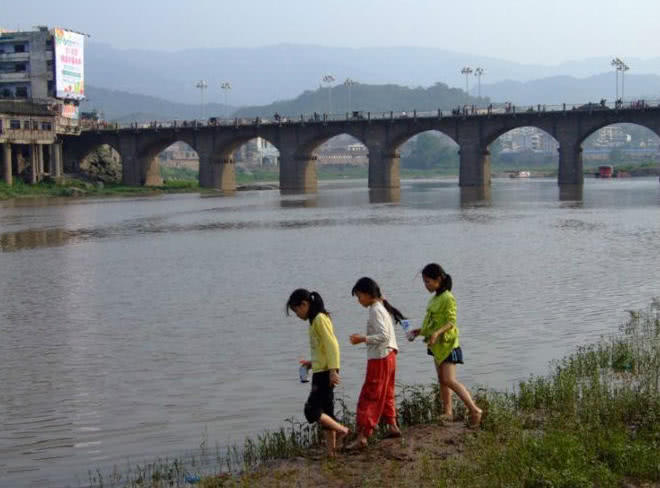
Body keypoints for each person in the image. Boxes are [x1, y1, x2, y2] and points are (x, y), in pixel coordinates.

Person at [409, 263, 483, 427]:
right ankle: (448, 412)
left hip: (448, 344)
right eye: (424, 282)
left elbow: (451, 322)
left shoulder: (448, 297)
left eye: (428, 281)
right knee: (442, 380)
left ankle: (475, 409)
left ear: (439, 279)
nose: (426, 285)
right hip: (436, 346)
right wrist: (419, 331)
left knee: (450, 380)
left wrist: (437, 333)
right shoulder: (434, 299)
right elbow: (432, 324)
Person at [286, 289, 350, 457]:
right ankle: (331, 452)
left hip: (325, 373)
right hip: (321, 370)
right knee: (327, 411)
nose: (297, 315)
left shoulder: (320, 319)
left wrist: (333, 371)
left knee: (311, 410)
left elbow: (332, 345)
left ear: (304, 304)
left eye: (296, 310)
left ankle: (343, 430)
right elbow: (322, 350)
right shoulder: (314, 321)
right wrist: (311, 364)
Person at [347, 277, 403, 449]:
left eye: (359, 296)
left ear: (368, 294)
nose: (359, 301)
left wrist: (362, 339)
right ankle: (392, 425)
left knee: (369, 395)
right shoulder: (381, 307)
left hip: (380, 358)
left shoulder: (375, 309)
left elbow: (383, 336)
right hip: (389, 356)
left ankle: (363, 436)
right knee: (386, 392)